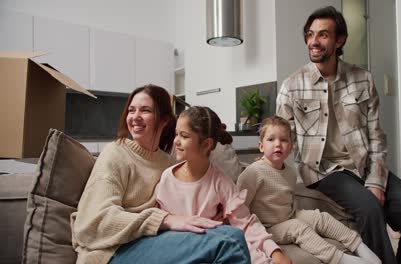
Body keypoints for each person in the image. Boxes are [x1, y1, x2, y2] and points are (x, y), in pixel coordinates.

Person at [276, 6, 401, 264]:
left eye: (323, 35)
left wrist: (375, 180)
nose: (314, 41)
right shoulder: (291, 86)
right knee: (370, 208)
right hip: (324, 171)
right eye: (310, 34)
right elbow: (283, 139)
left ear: (340, 40)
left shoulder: (362, 79)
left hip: (362, 165)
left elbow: (376, 136)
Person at [70, 84, 251, 264]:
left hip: (152, 242)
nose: (135, 117)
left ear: (164, 120)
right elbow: (94, 222)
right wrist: (164, 219)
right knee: (231, 241)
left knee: (225, 240)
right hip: (111, 252)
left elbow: (185, 206)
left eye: (145, 110)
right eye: (131, 110)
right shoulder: (115, 153)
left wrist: (209, 221)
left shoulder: (169, 164)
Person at [155, 106, 292, 264]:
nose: (175, 141)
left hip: (208, 248)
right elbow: (161, 223)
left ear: (206, 144)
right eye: (176, 134)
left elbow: (245, 224)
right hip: (176, 249)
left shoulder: (220, 182)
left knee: (238, 243)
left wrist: (274, 251)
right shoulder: (167, 178)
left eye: (184, 136)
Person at [237, 116, 381, 264]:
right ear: (261, 146)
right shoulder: (253, 173)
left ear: (291, 147)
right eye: (271, 139)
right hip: (267, 228)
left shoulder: (290, 173)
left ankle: (357, 245)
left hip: (288, 216)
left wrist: (300, 215)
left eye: (284, 140)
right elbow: (238, 208)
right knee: (298, 228)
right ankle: (340, 259)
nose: (278, 144)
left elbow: (288, 200)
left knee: (320, 217)